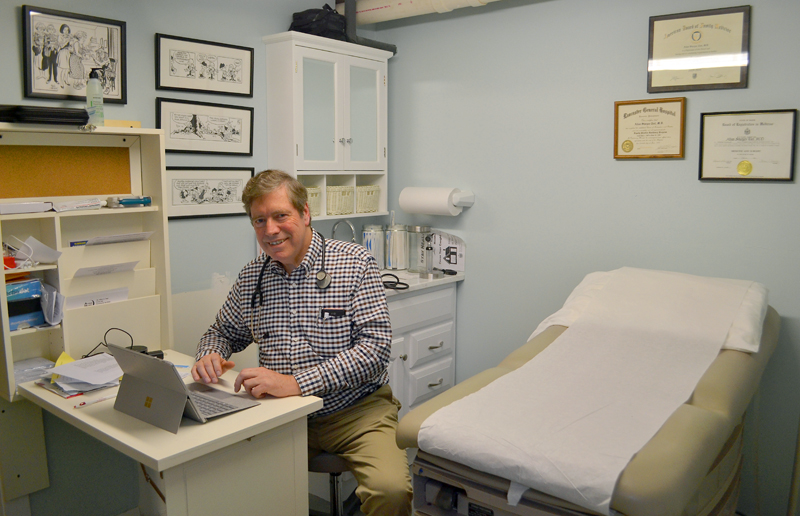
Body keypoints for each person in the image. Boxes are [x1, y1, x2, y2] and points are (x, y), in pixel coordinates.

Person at [192, 169, 412, 515]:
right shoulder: (253, 276)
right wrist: (209, 355)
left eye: (281, 216)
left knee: (391, 491)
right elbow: (221, 331)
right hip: (281, 416)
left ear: (305, 214)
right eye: (259, 220)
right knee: (229, 476)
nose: (270, 230)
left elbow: (375, 349)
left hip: (356, 410)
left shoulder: (354, 263)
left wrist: (295, 383)